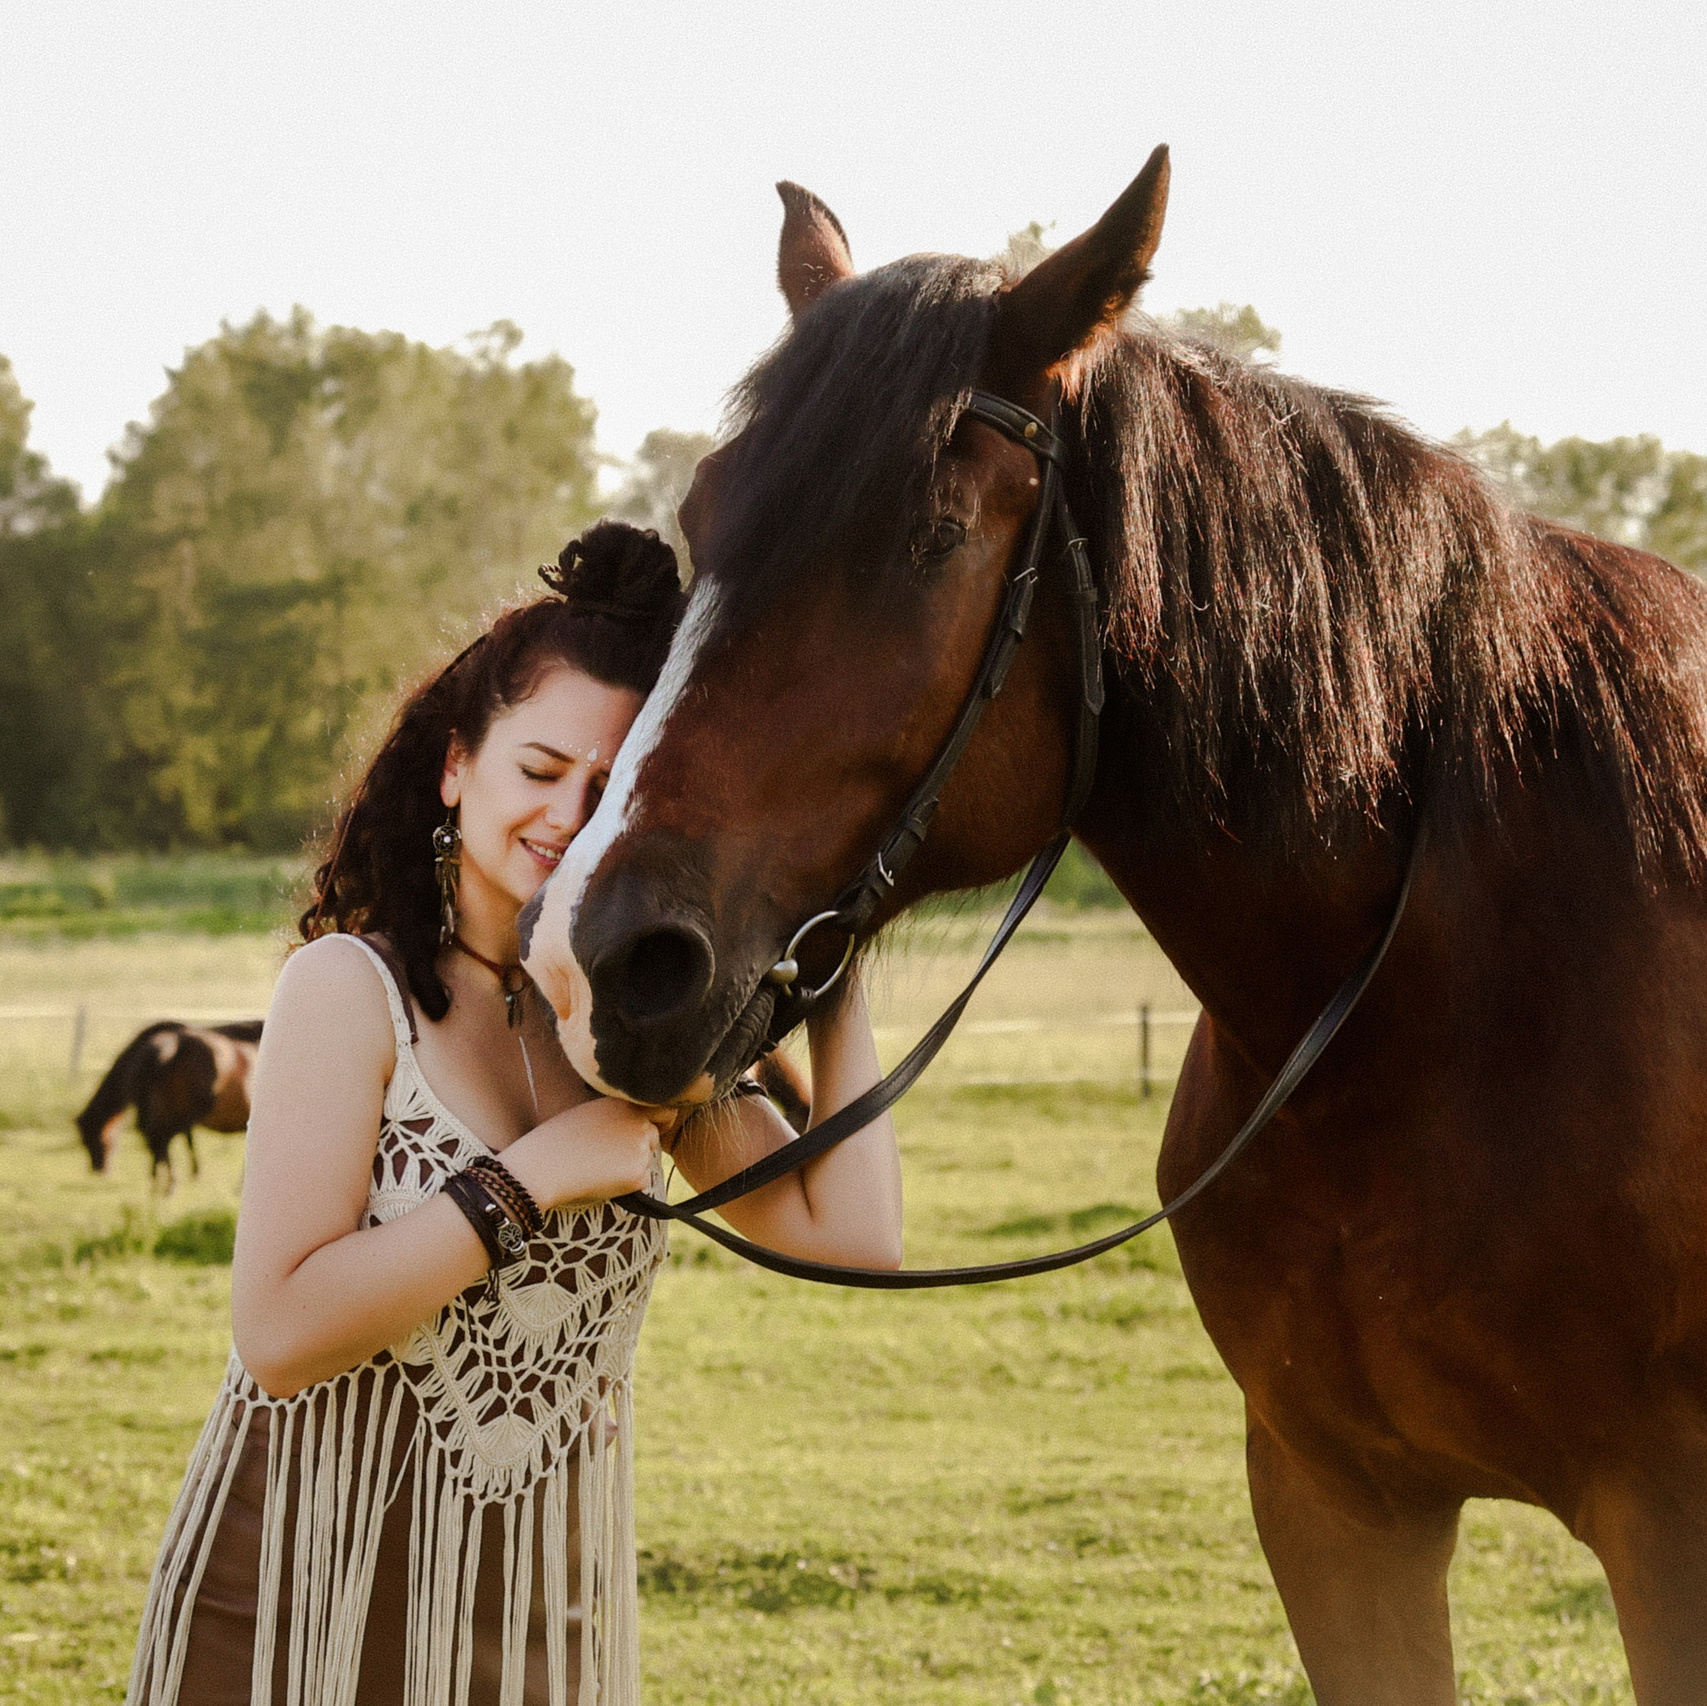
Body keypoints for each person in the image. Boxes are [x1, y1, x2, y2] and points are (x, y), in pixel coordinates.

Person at [126, 521, 903, 1706]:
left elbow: (854, 1235)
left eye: (609, 786)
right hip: (298, 1599)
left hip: (539, 1621)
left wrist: (837, 964)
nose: (567, 814)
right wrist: (528, 1178)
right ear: (455, 766)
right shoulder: (350, 990)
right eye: (538, 770)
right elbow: (279, 1330)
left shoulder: (630, 1033)